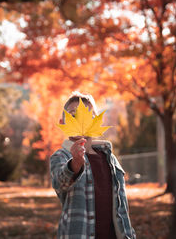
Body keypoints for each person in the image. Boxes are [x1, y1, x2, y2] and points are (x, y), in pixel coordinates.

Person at [50, 92, 136, 239]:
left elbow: (122, 207)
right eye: (72, 114)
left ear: (97, 122)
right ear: (62, 122)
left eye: (90, 115)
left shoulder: (110, 159)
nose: (80, 118)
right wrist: (74, 164)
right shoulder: (62, 156)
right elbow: (60, 182)